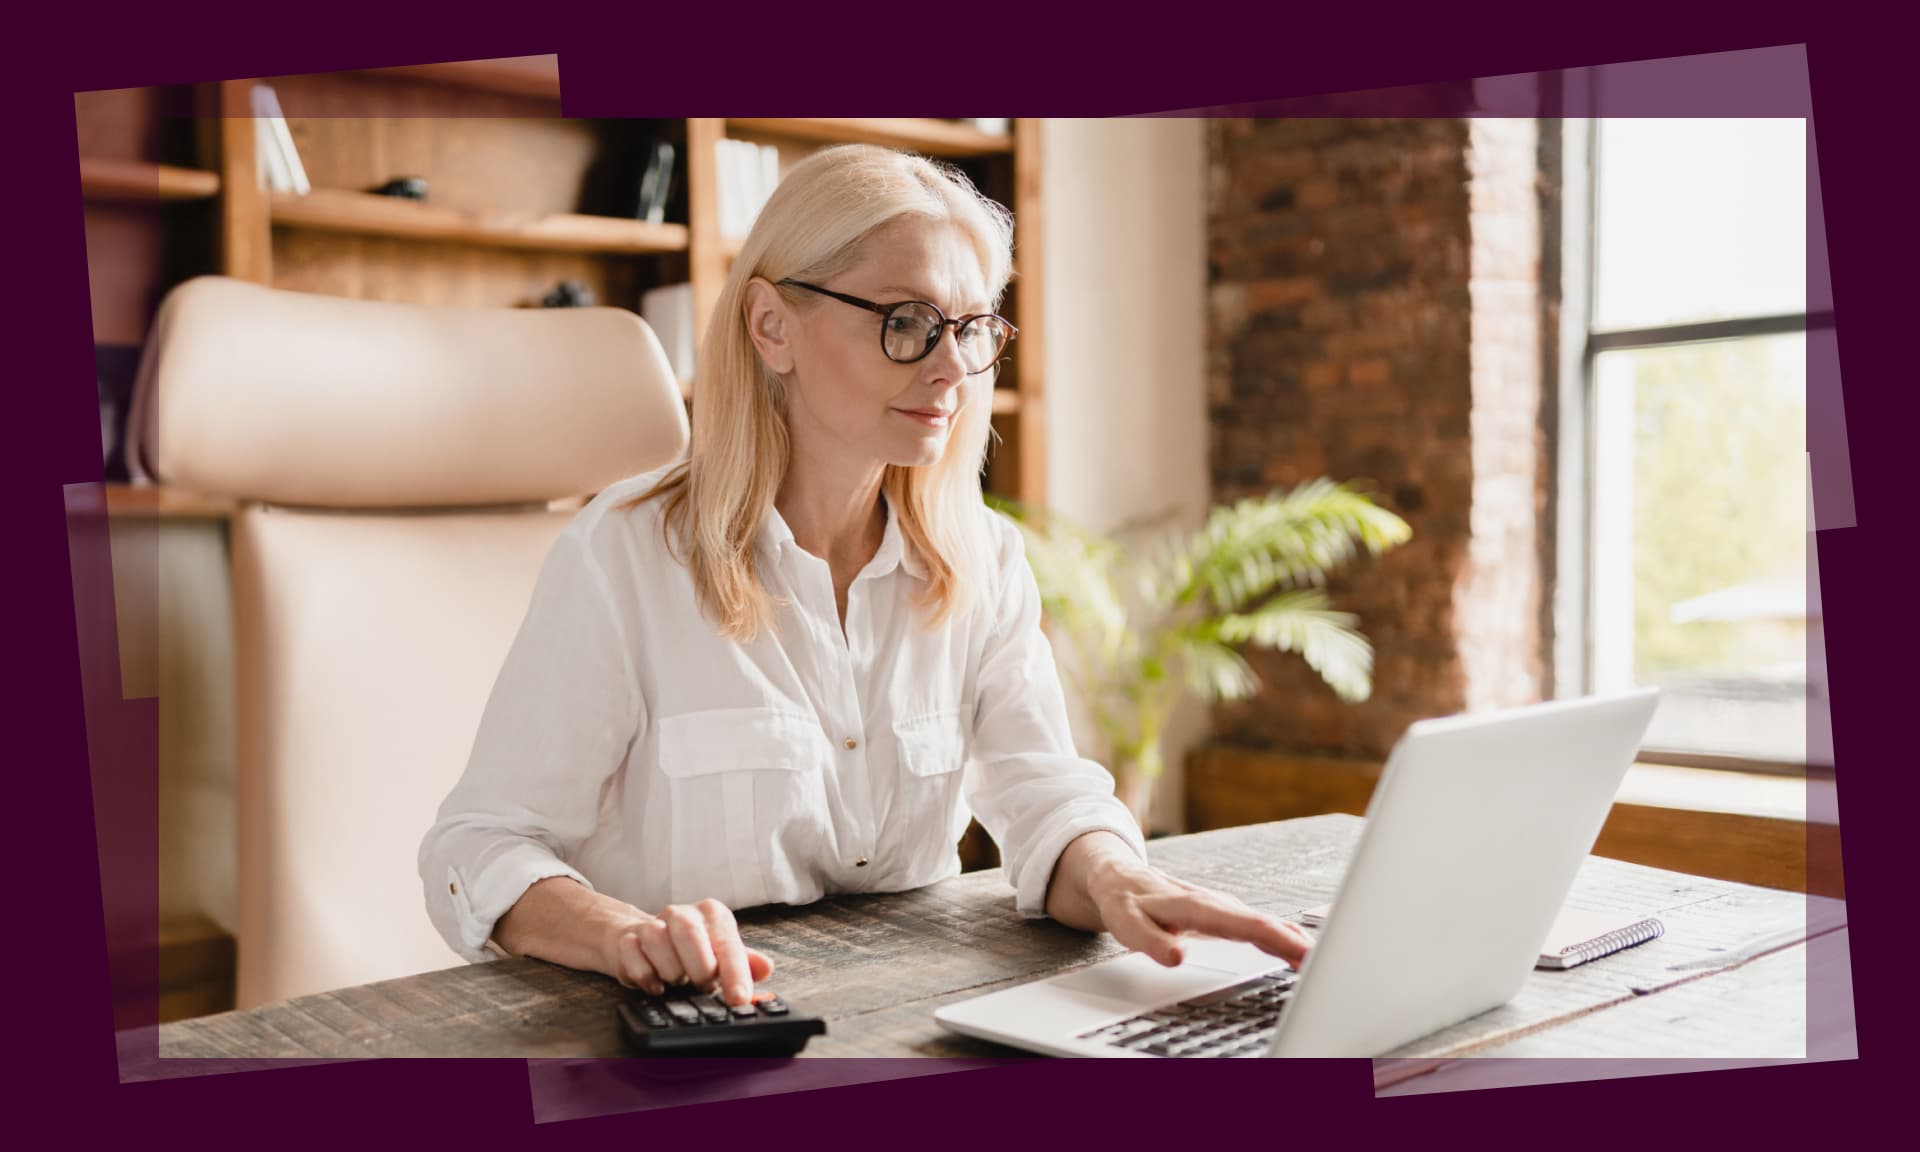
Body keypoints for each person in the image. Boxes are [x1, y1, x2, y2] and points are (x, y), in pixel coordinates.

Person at [418, 143, 1312, 1009]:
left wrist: (1119, 877)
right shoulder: (625, 555)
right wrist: (621, 935)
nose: (953, 368)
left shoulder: (981, 561)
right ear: (772, 327)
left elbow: (1043, 795)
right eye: (907, 323)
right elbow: (482, 845)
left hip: (907, 1020)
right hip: (694, 1041)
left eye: (969, 329)